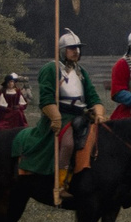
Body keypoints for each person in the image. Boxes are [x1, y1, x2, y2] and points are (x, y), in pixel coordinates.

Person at [15, 32, 95, 205]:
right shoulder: (51, 69)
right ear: (62, 50)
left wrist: (99, 111)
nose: (76, 52)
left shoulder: (81, 72)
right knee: (68, 143)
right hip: (60, 115)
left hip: (81, 116)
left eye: (78, 48)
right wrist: (55, 117)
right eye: (72, 48)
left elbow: (92, 96)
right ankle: (60, 185)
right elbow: (46, 98)